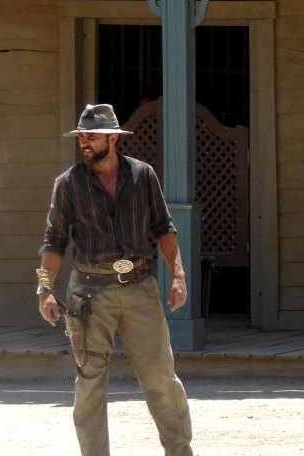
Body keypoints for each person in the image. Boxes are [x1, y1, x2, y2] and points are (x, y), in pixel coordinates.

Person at [36, 103, 194, 456]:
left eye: (91, 136)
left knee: (161, 379)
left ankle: (180, 451)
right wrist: (45, 289)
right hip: (89, 294)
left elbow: (164, 228)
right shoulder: (68, 184)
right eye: (81, 137)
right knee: (90, 384)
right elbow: (53, 242)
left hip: (140, 288)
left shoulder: (143, 175)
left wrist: (178, 273)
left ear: (112, 138)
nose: (85, 143)